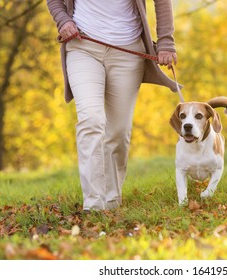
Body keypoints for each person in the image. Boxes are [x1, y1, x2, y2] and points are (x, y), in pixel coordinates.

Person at [46, 0, 179, 211]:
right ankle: (93, 205)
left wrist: (165, 42)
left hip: (127, 52)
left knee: (118, 132)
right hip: (83, 46)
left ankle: (111, 200)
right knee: (91, 119)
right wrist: (63, 21)